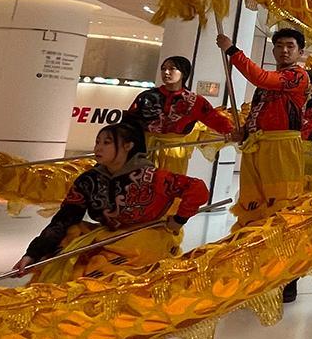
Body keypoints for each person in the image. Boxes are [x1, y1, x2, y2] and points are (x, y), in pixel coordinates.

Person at [12, 120, 208, 283]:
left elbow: (197, 189)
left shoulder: (152, 177)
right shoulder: (89, 180)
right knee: (70, 237)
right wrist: (33, 254)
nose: (98, 148)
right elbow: (65, 218)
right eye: (97, 142)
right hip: (108, 235)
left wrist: (179, 220)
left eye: (106, 143)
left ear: (128, 146)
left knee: (107, 274)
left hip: (143, 238)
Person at [216, 26, 311, 303]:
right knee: (253, 208)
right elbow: (258, 112)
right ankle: (257, 271)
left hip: (282, 148)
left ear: (300, 52)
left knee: (282, 211)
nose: (284, 50)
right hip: (257, 147)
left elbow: (260, 76)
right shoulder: (264, 88)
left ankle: (287, 278)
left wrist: (232, 50)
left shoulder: (297, 76)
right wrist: (244, 131)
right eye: (279, 46)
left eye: (290, 46)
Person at [125, 55, 235, 174]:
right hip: (145, 149)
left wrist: (232, 132)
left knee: (171, 183)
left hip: (175, 154)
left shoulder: (195, 101)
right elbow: (128, 122)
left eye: (172, 68)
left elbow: (215, 119)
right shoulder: (146, 96)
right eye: (163, 69)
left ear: (184, 73)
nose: (166, 72)